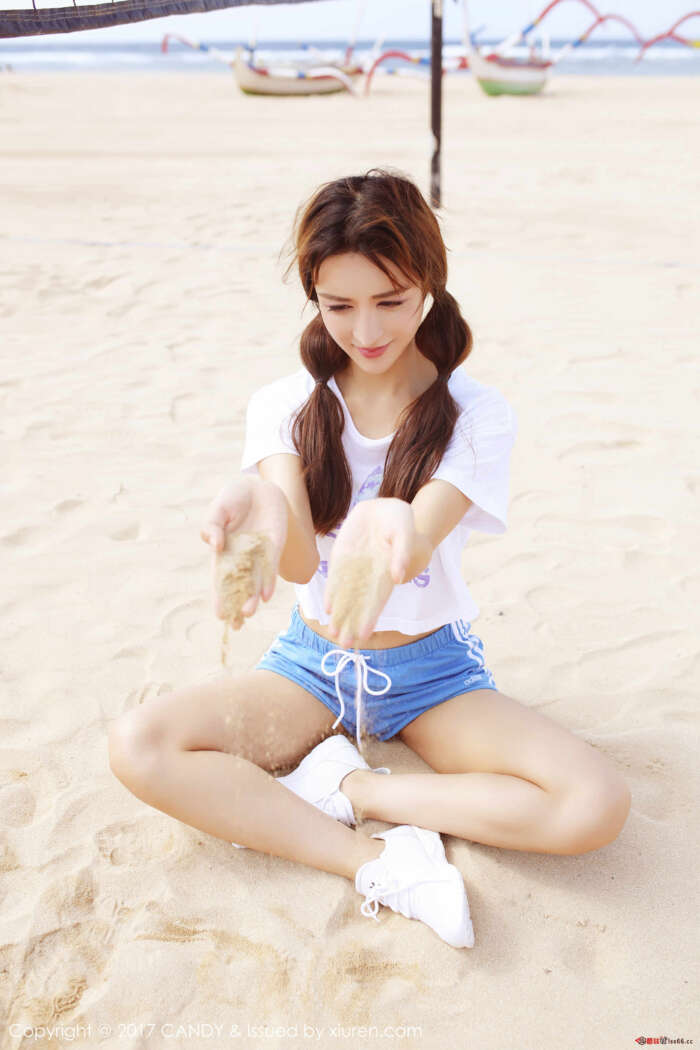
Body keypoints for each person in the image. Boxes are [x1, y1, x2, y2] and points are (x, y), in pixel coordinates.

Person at [108, 168, 631, 951]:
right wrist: (259, 504)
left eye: (390, 300)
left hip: (434, 673)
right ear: (314, 299)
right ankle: (369, 861)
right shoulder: (284, 405)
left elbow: (412, 544)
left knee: (595, 803)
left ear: (429, 284)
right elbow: (295, 565)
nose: (367, 330)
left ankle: (351, 788)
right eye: (339, 305)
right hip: (311, 666)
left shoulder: (475, 414)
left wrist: (389, 517)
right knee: (139, 744)